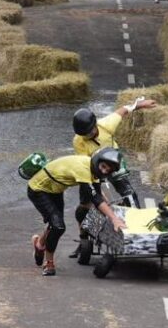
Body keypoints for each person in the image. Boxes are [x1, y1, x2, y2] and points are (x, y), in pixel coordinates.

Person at [69, 99, 156, 257]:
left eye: (90, 132)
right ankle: (84, 241)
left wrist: (140, 105)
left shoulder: (106, 125)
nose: (88, 135)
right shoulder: (78, 141)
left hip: (113, 162)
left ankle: (136, 230)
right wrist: (98, 193)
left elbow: (123, 110)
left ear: (95, 124)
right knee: (86, 205)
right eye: (84, 134)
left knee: (128, 193)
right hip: (93, 166)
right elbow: (84, 164)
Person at [28, 149, 128, 277]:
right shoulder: (83, 169)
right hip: (38, 189)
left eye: (108, 170)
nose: (104, 171)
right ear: (97, 161)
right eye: (103, 167)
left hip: (55, 189)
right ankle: (49, 263)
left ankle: (39, 244)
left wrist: (111, 209)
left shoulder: (94, 171)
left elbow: (98, 194)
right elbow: (95, 198)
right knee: (58, 226)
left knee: (55, 224)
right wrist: (114, 218)